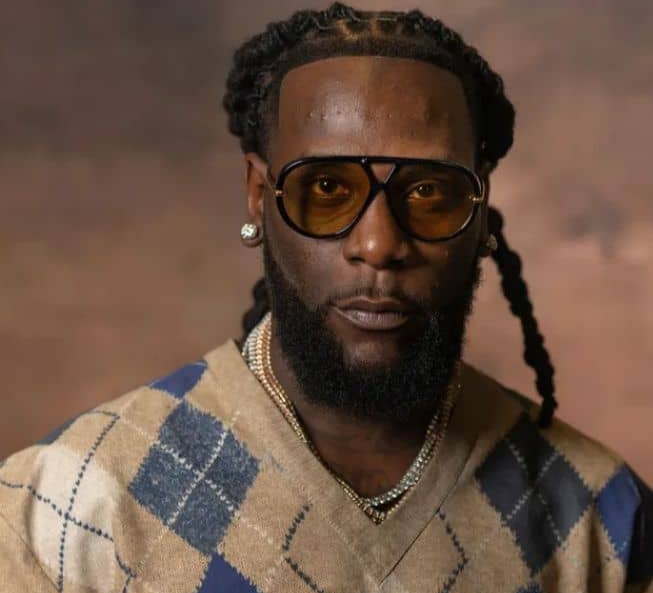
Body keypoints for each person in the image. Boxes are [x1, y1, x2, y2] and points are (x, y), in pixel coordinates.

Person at [1, 3, 650, 592]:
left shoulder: (601, 519)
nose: (378, 244)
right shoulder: (66, 506)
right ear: (258, 194)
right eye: (328, 188)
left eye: (427, 191)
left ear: (480, 209)